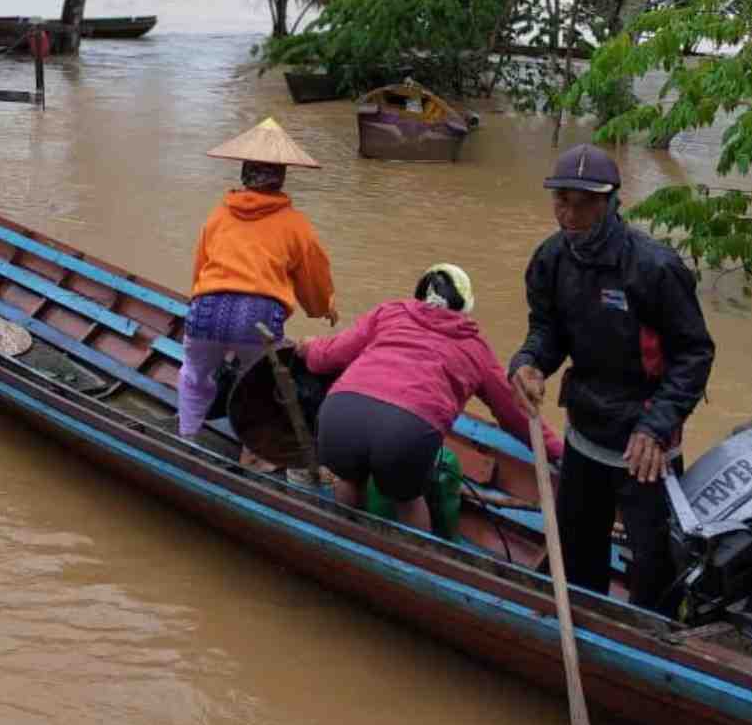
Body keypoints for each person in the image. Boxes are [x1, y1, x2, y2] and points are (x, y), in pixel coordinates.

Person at [508, 143, 715, 613]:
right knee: (578, 557)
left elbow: (695, 353)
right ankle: (586, 630)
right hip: (586, 433)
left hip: (647, 444)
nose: (570, 214)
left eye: (585, 203)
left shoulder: (655, 267)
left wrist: (657, 425)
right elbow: (547, 330)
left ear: (611, 202)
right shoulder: (550, 259)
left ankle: (653, 650)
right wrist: (528, 362)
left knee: (657, 568)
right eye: (562, 200)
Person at [298, 264, 564, 533]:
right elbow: (514, 412)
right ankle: (416, 555)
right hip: (405, 434)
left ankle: (344, 535)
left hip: (339, 416)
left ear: (420, 295)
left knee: (349, 478)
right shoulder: (475, 347)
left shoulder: (389, 312)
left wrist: (307, 348)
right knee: (408, 500)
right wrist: (558, 452)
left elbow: (328, 356)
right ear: (464, 308)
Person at [179, 118, 338, 457]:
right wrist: (323, 308)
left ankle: (187, 438)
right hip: (259, 320)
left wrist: (199, 305)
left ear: (244, 174)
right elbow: (314, 282)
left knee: (194, 376)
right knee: (264, 388)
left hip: (206, 311)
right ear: (280, 178)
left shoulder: (218, 216)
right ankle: (254, 454)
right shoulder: (295, 225)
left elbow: (199, 271)